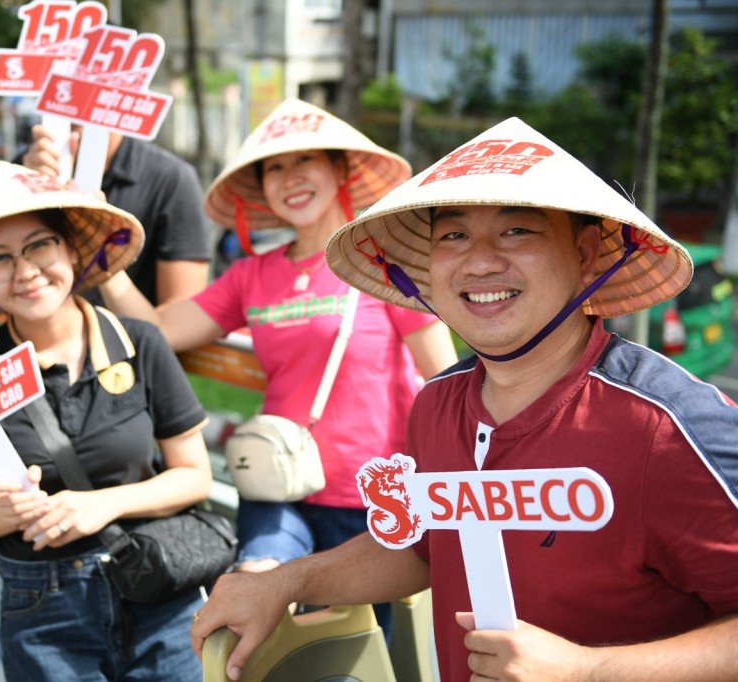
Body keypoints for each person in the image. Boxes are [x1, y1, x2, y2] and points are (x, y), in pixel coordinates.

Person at [190, 117, 738, 682]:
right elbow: (424, 547)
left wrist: (589, 670)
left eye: (517, 231)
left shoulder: (669, 427)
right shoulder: (437, 407)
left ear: (587, 254)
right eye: (452, 235)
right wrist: (286, 581)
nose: (479, 261)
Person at [98, 98, 459, 637]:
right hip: (277, 486)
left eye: (303, 161)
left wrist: (451, 489)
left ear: (339, 169)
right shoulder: (251, 275)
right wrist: (107, 254)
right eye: (273, 168)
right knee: (252, 601)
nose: (288, 177)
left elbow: (444, 382)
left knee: (352, 651)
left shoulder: (388, 264)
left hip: (375, 498)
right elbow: (158, 331)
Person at [0, 161, 213, 682]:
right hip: (41, 608)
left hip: (157, 585)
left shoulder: (140, 343)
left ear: (72, 249)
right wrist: (4, 514)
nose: (23, 271)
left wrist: (99, 505)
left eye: (39, 245)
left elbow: (195, 475)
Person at [22, 124, 210, 306]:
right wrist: (25, 188)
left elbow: (179, 315)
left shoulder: (172, 178)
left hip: (130, 334)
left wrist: (100, 245)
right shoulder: (22, 170)